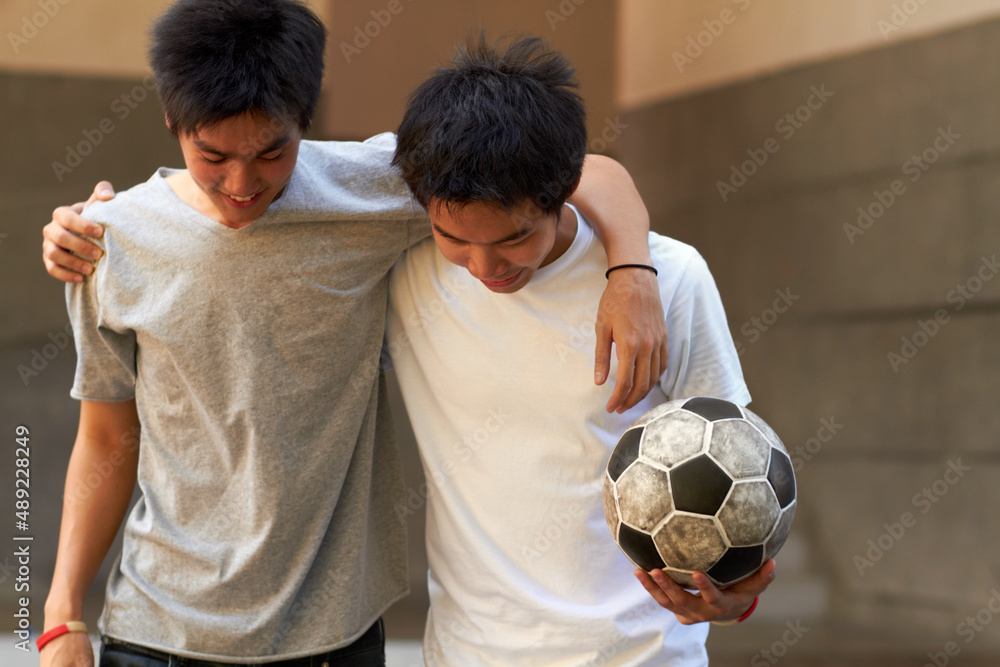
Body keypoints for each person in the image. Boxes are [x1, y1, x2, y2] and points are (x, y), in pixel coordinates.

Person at [38, 1, 667, 665]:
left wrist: (631, 271)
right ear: (173, 123)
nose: (243, 183)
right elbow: (106, 437)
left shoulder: (371, 190)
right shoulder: (109, 242)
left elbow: (576, 170)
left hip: (333, 640)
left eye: (272, 152)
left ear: (305, 121)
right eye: (212, 155)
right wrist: (61, 615)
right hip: (156, 632)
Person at [383, 36, 775, 665]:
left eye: (514, 238)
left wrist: (734, 598)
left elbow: (734, 467)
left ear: (564, 190)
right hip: (469, 654)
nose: (483, 266)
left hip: (643, 654)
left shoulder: (670, 277)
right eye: (453, 238)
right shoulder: (407, 270)